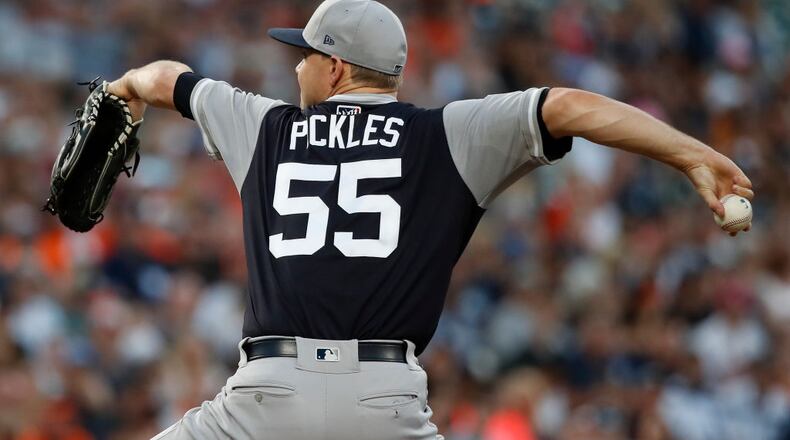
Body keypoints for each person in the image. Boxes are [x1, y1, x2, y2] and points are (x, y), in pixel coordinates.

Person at [106, 0, 754, 438]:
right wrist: (693, 155)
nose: (295, 64)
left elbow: (166, 77)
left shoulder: (266, 127)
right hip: (385, 402)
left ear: (333, 68)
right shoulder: (447, 135)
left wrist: (123, 92)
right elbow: (571, 106)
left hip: (264, 400)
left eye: (303, 54)